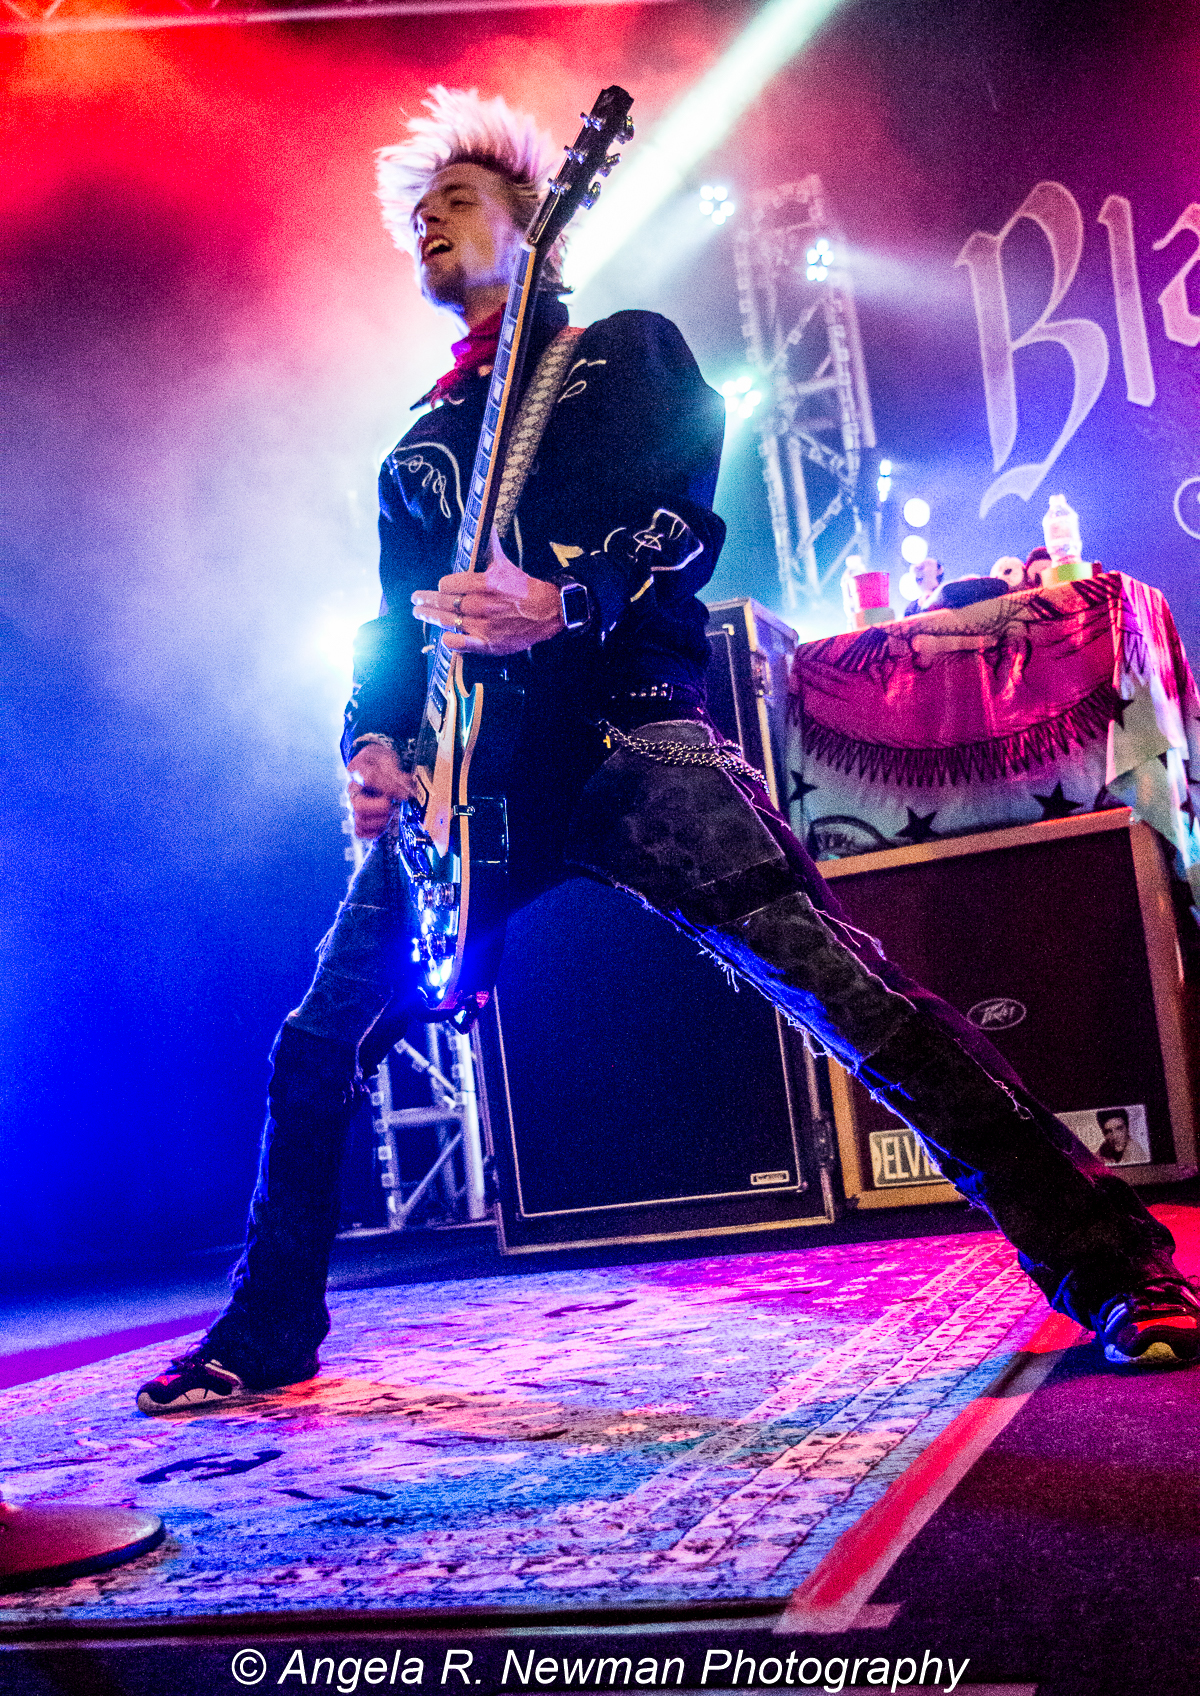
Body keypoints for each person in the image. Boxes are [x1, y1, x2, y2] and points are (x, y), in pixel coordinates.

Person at [136, 88, 1200, 1414]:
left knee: (847, 994)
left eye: (457, 200)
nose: (429, 223)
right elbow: (392, 622)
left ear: (538, 222)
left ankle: (1117, 1267)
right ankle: (267, 1328)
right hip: (468, 791)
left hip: (626, 736)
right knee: (316, 1044)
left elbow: (683, 518)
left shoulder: (621, 354)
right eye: (417, 215)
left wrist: (565, 600)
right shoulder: (415, 447)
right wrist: (372, 742)